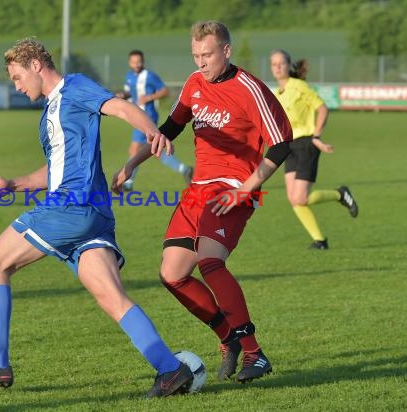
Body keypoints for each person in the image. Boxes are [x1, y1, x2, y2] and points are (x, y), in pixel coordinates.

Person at [0, 37, 194, 398]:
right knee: (112, 298)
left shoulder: (74, 87)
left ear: (35, 65)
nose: (16, 86)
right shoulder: (51, 111)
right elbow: (55, 169)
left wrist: (152, 131)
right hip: (93, 214)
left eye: (17, 77)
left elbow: (119, 107)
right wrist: (13, 183)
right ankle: (171, 370)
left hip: (70, 207)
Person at [113, 20, 293, 384]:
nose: (200, 62)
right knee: (172, 274)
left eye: (207, 54)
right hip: (197, 189)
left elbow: (282, 142)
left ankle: (255, 353)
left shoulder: (250, 89)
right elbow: (169, 129)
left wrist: (248, 187)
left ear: (226, 51)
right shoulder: (194, 85)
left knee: (211, 261)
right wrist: (131, 165)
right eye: (196, 55)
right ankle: (228, 337)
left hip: (230, 189)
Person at [270, 50, 358, 250]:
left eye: (281, 63)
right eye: (273, 64)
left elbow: (322, 108)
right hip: (288, 146)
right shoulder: (276, 94)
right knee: (294, 200)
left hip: (306, 144)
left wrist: (316, 136)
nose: (277, 67)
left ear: (288, 64)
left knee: (300, 197)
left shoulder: (299, 86)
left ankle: (340, 194)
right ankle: (320, 241)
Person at [116, 50, 193, 191]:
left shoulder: (150, 76)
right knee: (154, 150)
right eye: (133, 62)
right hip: (136, 115)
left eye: (139, 61)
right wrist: (122, 95)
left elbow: (164, 91)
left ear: (143, 61)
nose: (136, 64)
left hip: (148, 116)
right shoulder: (129, 76)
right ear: (129, 62)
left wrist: (149, 97)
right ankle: (184, 169)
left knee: (135, 148)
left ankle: (128, 181)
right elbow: (129, 92)